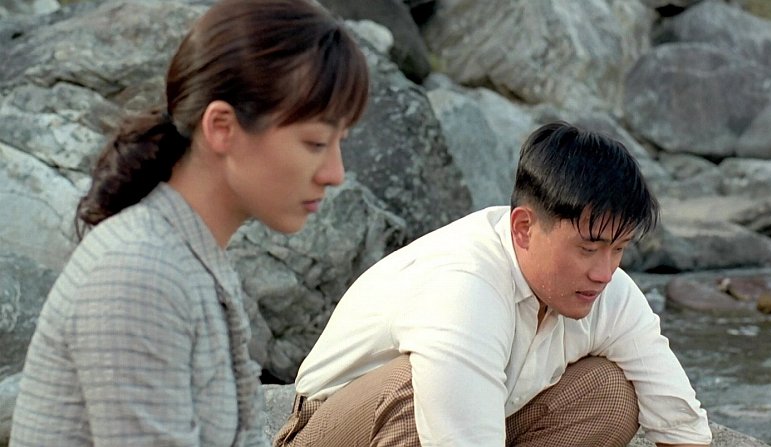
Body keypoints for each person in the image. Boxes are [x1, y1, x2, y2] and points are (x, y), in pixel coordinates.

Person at [10, 0, 368, 445]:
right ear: (222, 127)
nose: (335, 173)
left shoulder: (186, 255)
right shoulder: (139, 273)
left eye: (340, 143)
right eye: (315, 143)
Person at [273, 121, 712, 447]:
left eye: (619, 249)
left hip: (486, 418)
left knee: (610, 393)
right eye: (588, 248)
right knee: (419, 388)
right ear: (524, 228)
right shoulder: (464, 287)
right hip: (335, 428)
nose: (604, 271)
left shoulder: (608, 289)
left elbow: (681, 424)